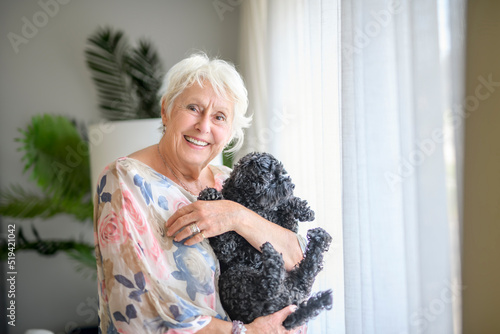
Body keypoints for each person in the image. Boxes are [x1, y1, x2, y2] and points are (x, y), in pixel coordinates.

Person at [94, 53, 307, 333]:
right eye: (193, 108)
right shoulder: (125, 179)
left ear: (230, 132)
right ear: (165, 111)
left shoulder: (231, 183)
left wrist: (236, 217)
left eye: (219, 116)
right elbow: (137, 308)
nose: (204, 126)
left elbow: (299, 259)